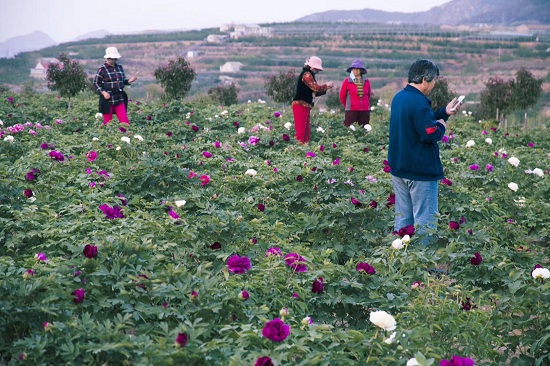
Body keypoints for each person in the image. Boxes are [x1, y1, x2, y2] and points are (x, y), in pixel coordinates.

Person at [387, 59, 461, 245]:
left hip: (400, 168)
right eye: (434, 79)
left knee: (403, 220)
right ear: (425, 79)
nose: (434, 83)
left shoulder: (400, 97)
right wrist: (441, 127)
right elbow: (430, 133)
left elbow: (419, 122)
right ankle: (422, 266)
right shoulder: (419, 102)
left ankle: (401, 262)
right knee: (425, 221)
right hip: (420, 171)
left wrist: (444, 112)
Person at [292, 56, 333, 143]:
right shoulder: (307, 74)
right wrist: (326, 86)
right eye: (316, 69)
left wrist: (326, 88)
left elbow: (315, 92)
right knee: (301, 132)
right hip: (301, 105)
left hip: (305, 105)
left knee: (306, 132)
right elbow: (316, 89)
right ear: (312, 67)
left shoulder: (308, 74)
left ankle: (304, 149)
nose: (317, 71)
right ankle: (298, 150)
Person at [93, 47, 137, 124]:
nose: (114, 60)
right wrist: (103, 92)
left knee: (125, 122)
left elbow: (122, 81)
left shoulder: (119, 68)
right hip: (107, 100)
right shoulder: (102, 69)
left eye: (115, 59)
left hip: (119, 98)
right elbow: (96, 83)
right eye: (112, 59)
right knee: (108, 123)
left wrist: (129, 81)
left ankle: (125, 135)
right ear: (107, 58)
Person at [339, 59, 371, 127]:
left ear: (361, 70)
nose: (355, 71)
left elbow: (368, 95)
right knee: (350, 130)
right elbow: (342, 96)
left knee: (364, 130)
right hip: (351, 111)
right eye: (353, 69)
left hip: (364, 110)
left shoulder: (366, 81)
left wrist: (365, 104)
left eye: (357, 69)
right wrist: (348, 106)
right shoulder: (347, 81)